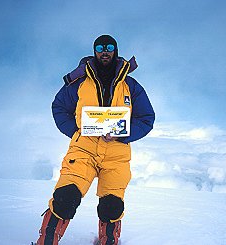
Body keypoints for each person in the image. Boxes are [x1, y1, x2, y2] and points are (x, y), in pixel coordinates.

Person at [35, 35, 155, 245]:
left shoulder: (131, 86)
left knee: (112, 206)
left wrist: (123, 133)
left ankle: (108, 242)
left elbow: (146, 118)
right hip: (83, 150)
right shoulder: (79, 82)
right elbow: (59, 107)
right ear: (94, 51)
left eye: (109, 47)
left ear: (115, 51)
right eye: (100, 47)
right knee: (65, 197)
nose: (105, 51)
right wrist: (77, 131)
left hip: (117, 154)